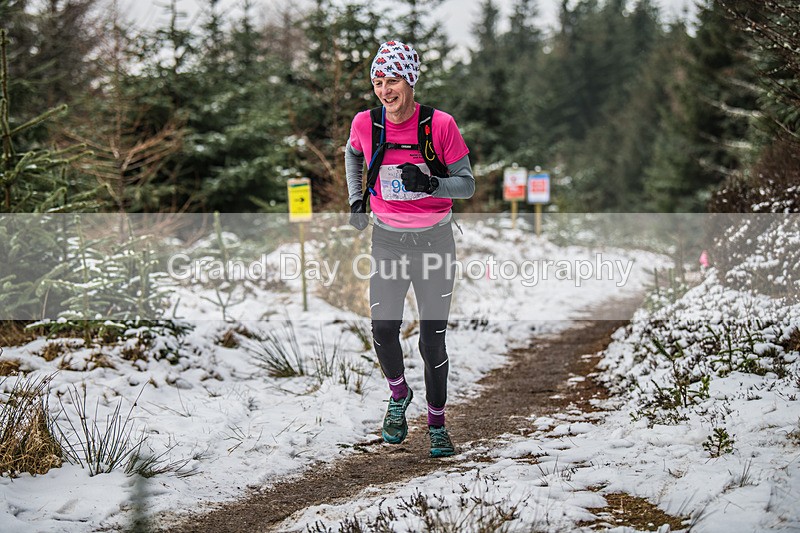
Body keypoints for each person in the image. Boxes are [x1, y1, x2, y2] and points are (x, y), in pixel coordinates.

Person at [344, 40, 475, 458]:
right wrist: (356, 199)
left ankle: (437, 425)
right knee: (383, 328)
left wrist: (431, 184)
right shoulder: (367, 123)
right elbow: (352, 154)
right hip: (387, 239)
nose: (385, 89)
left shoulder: (440, 125)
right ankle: (399, 395)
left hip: (435, 241)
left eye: (394, 80)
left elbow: (467, 184)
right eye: (378, 81)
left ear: (411, 81)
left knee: (431, 341)